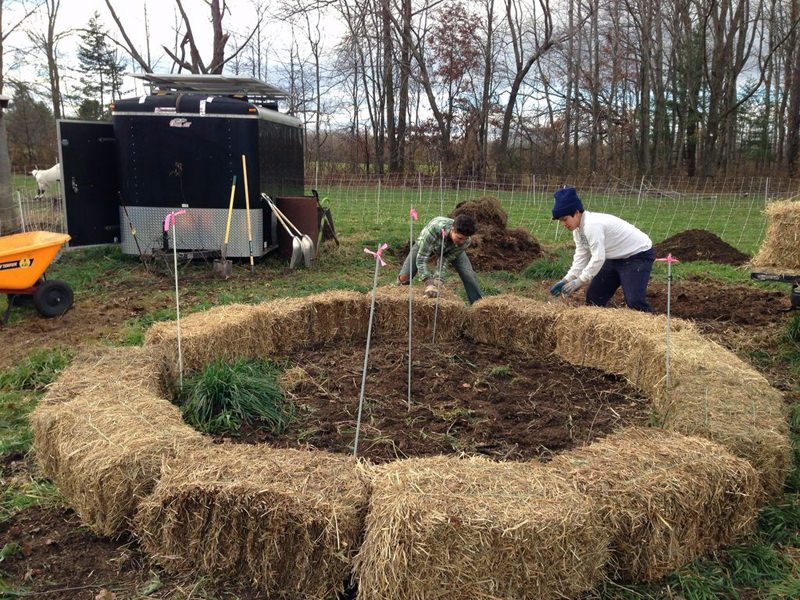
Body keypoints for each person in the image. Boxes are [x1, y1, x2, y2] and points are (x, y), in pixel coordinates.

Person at [549, 187, 654, 312]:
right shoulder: (577, 230)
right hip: (614, 256)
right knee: (594, 298)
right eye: (561, 221)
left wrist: (580, 281)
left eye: (565, 219)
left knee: (634, 302)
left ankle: (656, 327)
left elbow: (598, 257)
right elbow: (581, 255)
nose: (563, 224)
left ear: (576, 212)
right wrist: (567, 279)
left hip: (637, 255)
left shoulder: (592, 225)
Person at [398, 214, 483, 304]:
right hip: (427, 243)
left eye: (465, 239)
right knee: (404, 276)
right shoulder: (434, 229)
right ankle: (399, 300)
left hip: (449, 248)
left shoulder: (465, 242)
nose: (462, 242)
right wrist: (428, 282)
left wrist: (438, 279)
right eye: (460, 238)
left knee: (468, 275)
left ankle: (477, 305)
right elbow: (422, 258)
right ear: (452, 229)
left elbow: (445, 259)